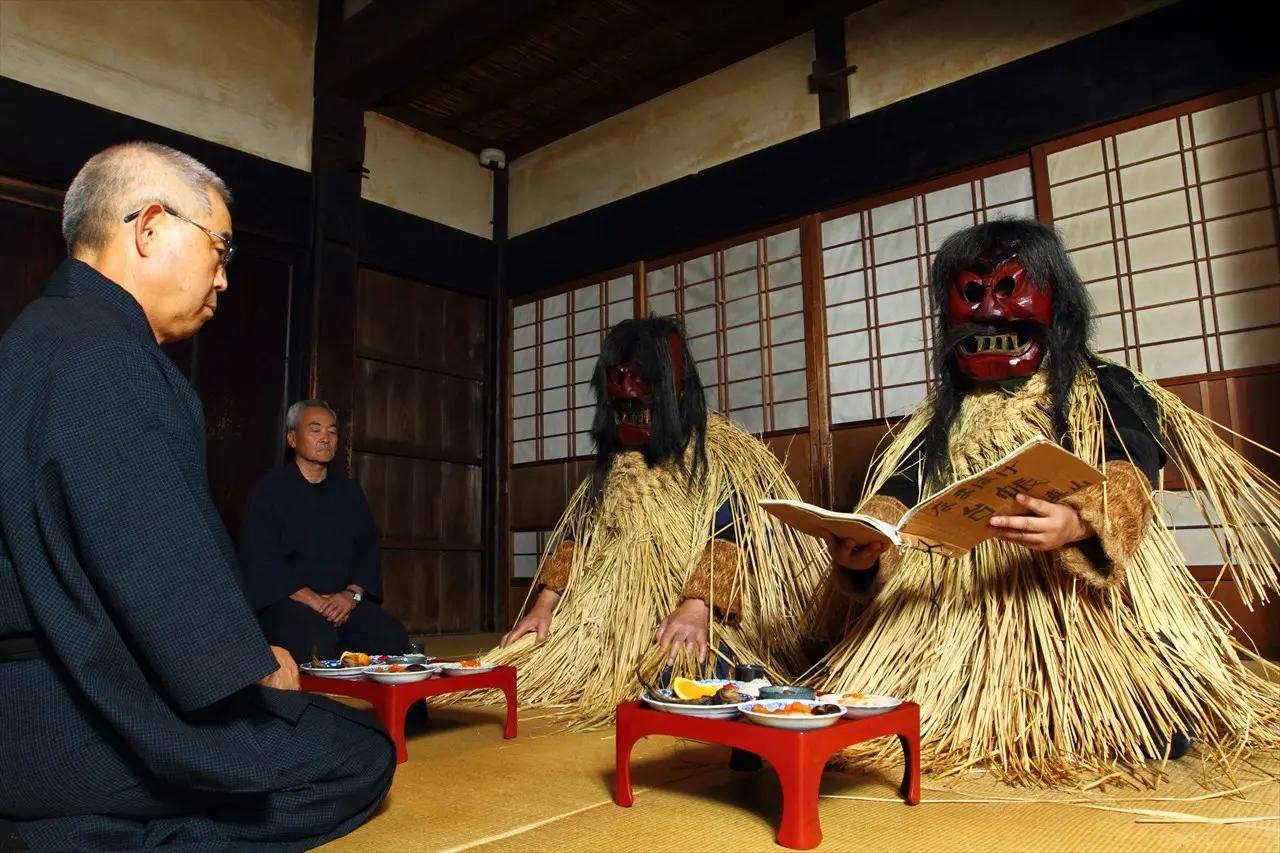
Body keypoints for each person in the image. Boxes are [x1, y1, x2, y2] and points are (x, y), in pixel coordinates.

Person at [0, 142, 395, 852]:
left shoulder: (27, 341)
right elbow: (153, 564)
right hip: (64, 712)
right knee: (360, 749)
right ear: (150, 227)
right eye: (219, 248)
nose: (222, 277)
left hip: (27, 697)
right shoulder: (109, 357)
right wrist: (249, 665)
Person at [806, 217, 1280, 786]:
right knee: (865, 715)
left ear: (1059, 300)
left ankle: (1126, 688)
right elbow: (897, 494)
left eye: (1009, 289)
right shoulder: (938, 420)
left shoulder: (1104, 390)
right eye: (972, 294)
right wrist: (868, 538)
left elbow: (1130, 473)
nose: (989, 312)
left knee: (1151, 729)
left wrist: (1080, 521)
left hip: (1067, 606)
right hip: (953, 607)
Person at [446, 315, 828, 731]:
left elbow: (734, 534)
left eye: (641, 391)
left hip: (696, 610)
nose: (629, 401)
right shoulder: (611, 468)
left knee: (686, 677)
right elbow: (578, 537)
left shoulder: (721, 455)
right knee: (516, 664)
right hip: (603, 617)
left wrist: (696, 607)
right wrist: (543, 607)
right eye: (619, 388)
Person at [238, 400, 409, 664]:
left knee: (391, 636)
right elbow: (262, 562)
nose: (325, 438)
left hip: (342, 603)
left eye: (332, 431)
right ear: (292, 438)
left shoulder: (350, 493)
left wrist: (349, 596)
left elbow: (367, 552)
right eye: (316, 430)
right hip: (290, 602)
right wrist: (315, 601)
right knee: (316, 641)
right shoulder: (268, 492)